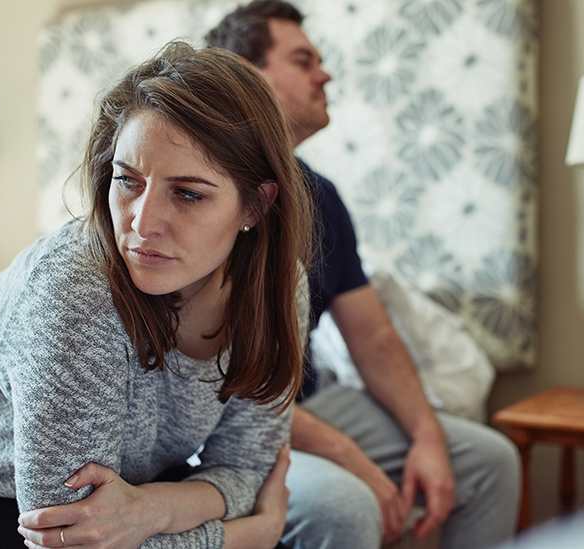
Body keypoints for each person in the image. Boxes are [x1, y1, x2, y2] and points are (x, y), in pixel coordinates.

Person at [0, 41, 313, 549]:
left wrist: (152, 508)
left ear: (255, 206)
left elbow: (245, 467)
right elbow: (68, 536)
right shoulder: (73, 293)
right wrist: (246, 536)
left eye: (188, 193)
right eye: (127, 181)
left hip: (117, 490)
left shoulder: (280, 287)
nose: (142, 222)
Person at [206, 3, 521, 548]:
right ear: (248, 73)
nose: (324, 74)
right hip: (225, 426)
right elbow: (219, 389)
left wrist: (427, 439)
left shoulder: (320, 197)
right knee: (345, 506)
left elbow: (373, 336)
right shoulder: (206, 194)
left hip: (308, 403)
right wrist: (356, 463)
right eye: (304, 60)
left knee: (490, 461)